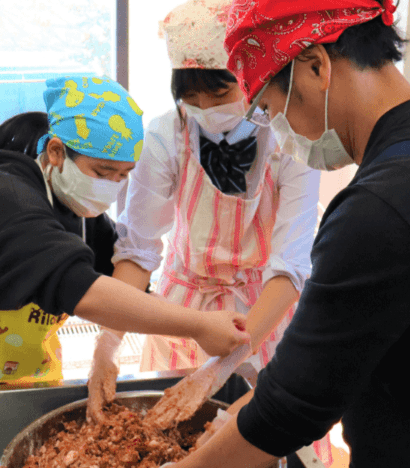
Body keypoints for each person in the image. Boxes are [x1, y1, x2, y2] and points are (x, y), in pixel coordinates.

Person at [142, 1, 410, 468]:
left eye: (274, 109)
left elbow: (292, 409)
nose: (284, 131)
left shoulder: (385, 203)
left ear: (316, 66)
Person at [0, 76, 249, 405]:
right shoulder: (2, 198)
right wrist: (197, 325)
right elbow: (86, 292)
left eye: (123, 175)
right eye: (102, 172)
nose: (112, 186)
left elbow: (125, 281)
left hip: (22, 374)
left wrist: (106, 351)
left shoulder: (75, 207)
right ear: (57, 152)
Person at [112, 0, 320, 376]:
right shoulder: (168, 134)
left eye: (220, 96)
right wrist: (107, 343)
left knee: (263, 421)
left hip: (266, 307)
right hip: (184, 311)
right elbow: (139, 249)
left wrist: (230, 360)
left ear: (249, 77)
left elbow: (291, 263)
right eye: (192, 100)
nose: (205, 109)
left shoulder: (288, 136)